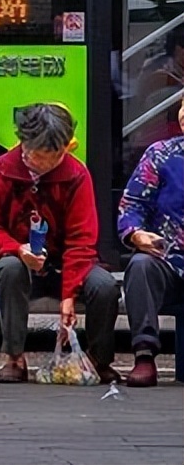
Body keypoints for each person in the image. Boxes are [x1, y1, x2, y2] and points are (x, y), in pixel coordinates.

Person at [0, 103, 121, 384]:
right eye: (37, 156)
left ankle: (97, 359)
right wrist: (18, 249)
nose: (43, 164)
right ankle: (14, 356)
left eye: (53, 158)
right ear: (23, 142)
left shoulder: (76, 174)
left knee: (104, 287)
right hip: (22, 262)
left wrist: (68, 295)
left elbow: (82, 240)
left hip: (66, 263)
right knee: (7, 268)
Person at [117, 98, 184, 388]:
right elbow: (132, 205)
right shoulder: (160, 154)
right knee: (140, 266)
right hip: (168, 258)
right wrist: (135, 234)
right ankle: (144, 357)